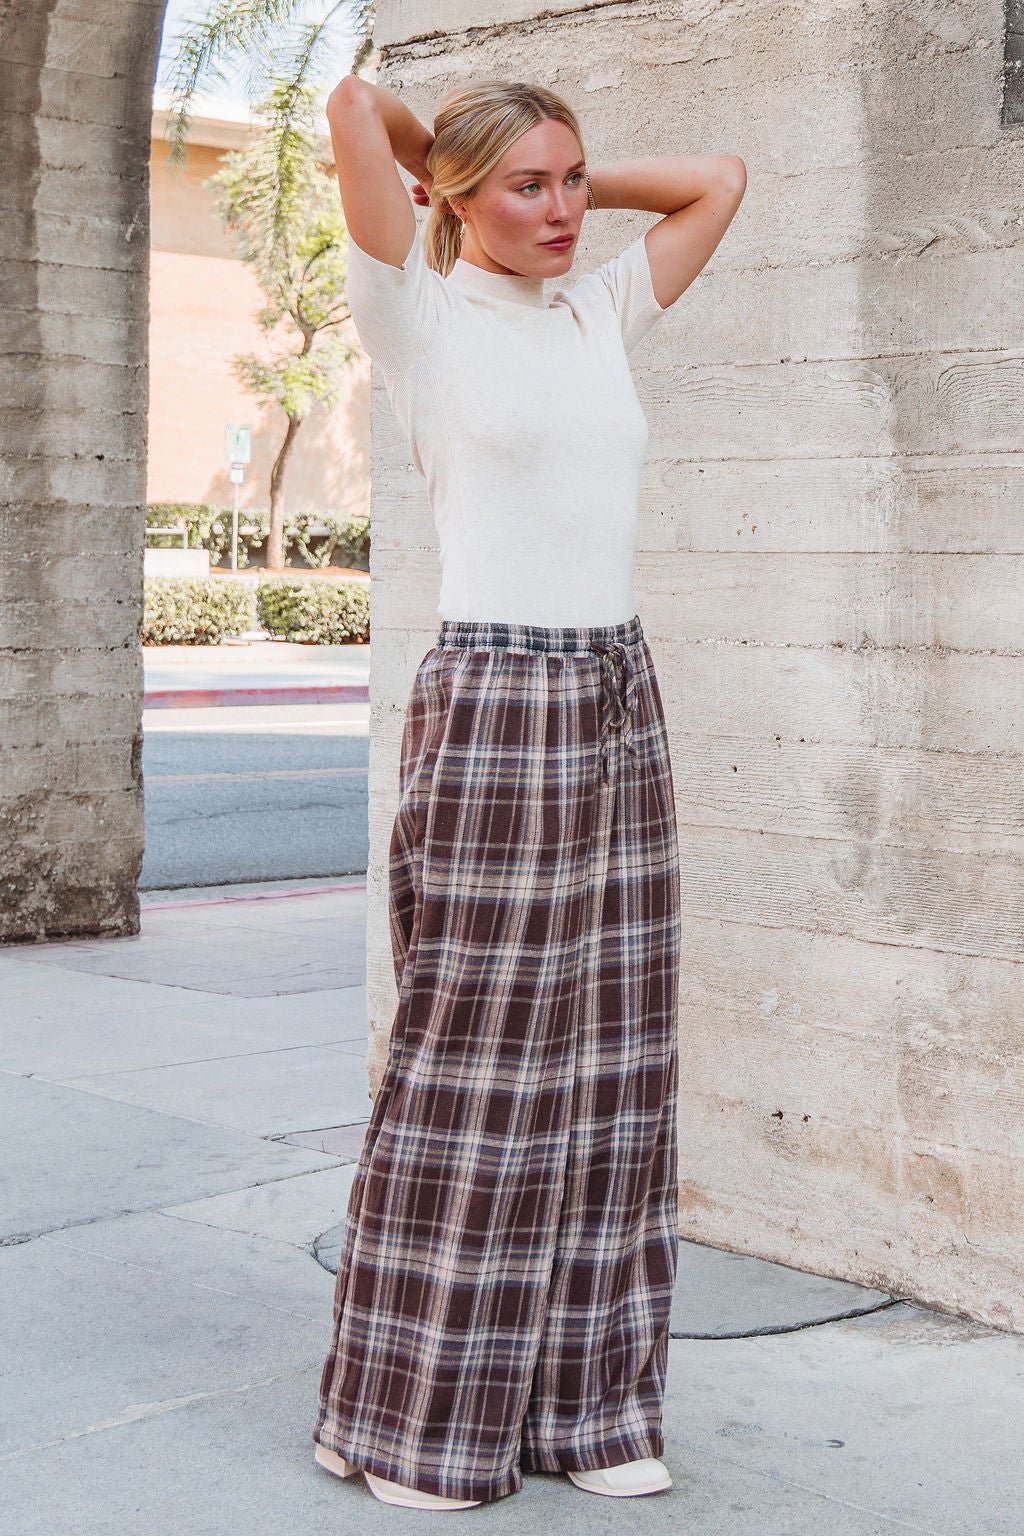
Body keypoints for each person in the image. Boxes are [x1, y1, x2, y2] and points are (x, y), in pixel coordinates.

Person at [311, 74, 746, 1511]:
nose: (560, 209)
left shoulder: (598, 312)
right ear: (451, 196)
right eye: (528, 188)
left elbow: (720, 179)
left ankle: (591, 1412)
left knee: (617, 1063)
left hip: (621, 692)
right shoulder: (415, 320)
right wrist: (455, 162)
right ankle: (409, 1425)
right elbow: (350, 100)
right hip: (498, 699)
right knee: (477, 1062)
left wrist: (560, 180)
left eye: (571, 181)